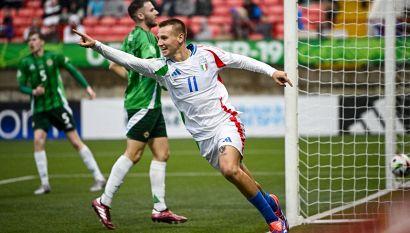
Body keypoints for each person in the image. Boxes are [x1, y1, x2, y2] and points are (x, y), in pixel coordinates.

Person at [73, 18, 291, 233]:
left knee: (229, 169)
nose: (159, 43)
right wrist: (98, 46)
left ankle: (275, 224)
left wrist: (272, 72)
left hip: (225, 122)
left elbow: (240, 60)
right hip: (203, 138)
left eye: (164, 38)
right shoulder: (162, 68)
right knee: (242, 176)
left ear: (180, 37)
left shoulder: (207, 54)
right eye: (158, 38)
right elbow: (130, 61)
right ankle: (272, 205)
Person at [90, 1, 187, 230]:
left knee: (162, 153)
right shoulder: (146, 39)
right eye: (153, 10)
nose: (157, 13)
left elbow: (114, 66)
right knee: (133, 154)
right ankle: (103, 201)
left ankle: (160, 208)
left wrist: (135, 81)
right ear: (142, 15)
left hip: (148, 102)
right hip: (144, 104)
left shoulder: (131, 37)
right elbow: (152, 67)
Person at [17, 30, 106, 195]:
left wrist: (87, 87)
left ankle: (99, 177)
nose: (31, 42)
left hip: (58, 105)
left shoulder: (54, 56)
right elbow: (21, 86)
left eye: (34, 39)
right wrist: (33, 91)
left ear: (42, 42)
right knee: (38, 140)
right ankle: (44, 184)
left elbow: (73, 70)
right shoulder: (25, 62)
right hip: (39, 108)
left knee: (74, 141)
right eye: (29, 40)